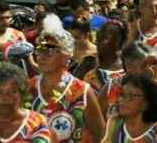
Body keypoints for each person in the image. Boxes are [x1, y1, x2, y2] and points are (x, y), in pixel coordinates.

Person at [29, 14, 105, 143]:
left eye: (50, 49)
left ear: (66, 55)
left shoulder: (82, 92)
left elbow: (101, 136)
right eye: (39, 49)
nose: (42, 55)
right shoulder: (27, 88)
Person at [101, 74, 157, 143]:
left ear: (146, 103)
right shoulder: (114, 123)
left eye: (131, 95)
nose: (121, 100)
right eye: (122, 94)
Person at [82, 19, 128, 91]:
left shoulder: (128, 67)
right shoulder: (88, 63)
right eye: (98, 36)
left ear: (118, 42)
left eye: (104, 37)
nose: (98, 40)